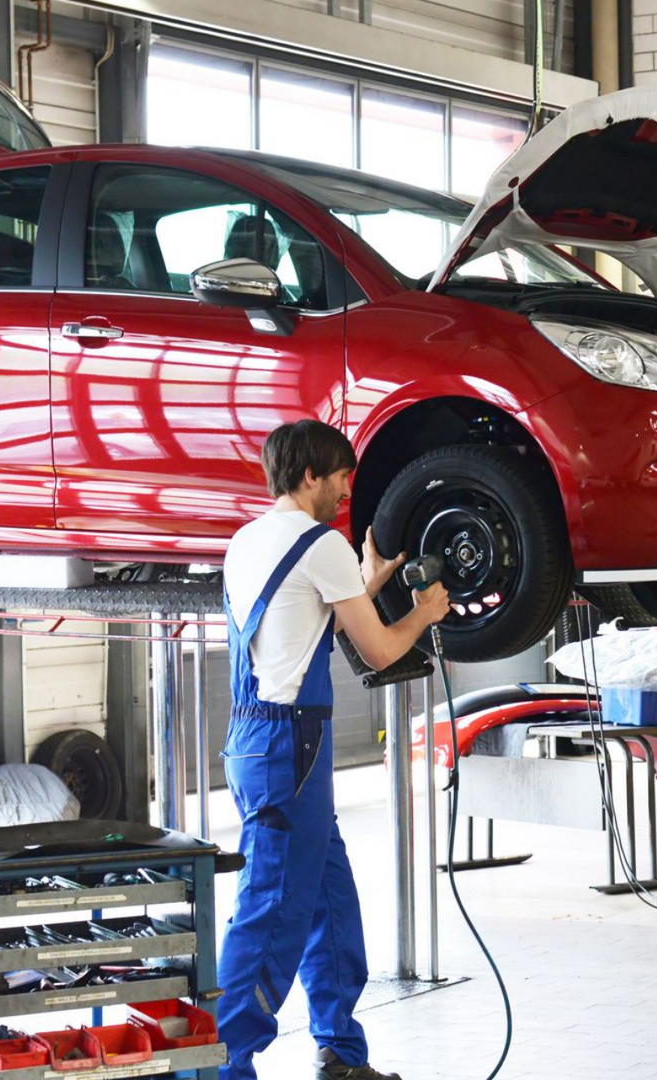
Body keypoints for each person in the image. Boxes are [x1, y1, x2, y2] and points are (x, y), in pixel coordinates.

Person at [219, 419, 450, 1080]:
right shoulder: (319, 543)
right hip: (292, 744)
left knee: (329, 901)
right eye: (342, 475)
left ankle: (341, 1054)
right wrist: (423, 612)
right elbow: (376, 649)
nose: (347, 489)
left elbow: (296, 625)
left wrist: (367, 585)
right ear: (309, 475)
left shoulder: (247, 539)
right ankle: (220, 1066)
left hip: (257, 739)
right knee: (273, 916)